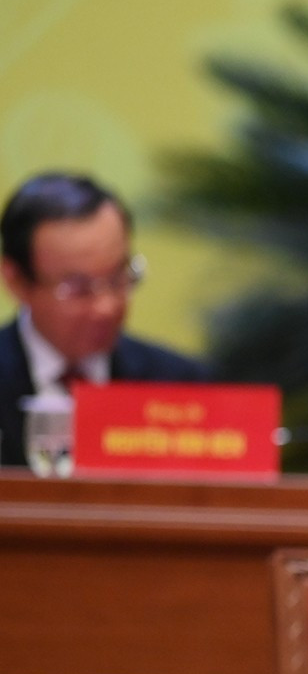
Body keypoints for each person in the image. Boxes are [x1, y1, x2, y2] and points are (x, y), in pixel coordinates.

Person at [1, 171, 208, 467]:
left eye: (118, 278)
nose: (106, 307)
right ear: (17, 282)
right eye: (78, 288)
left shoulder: (180, 386)